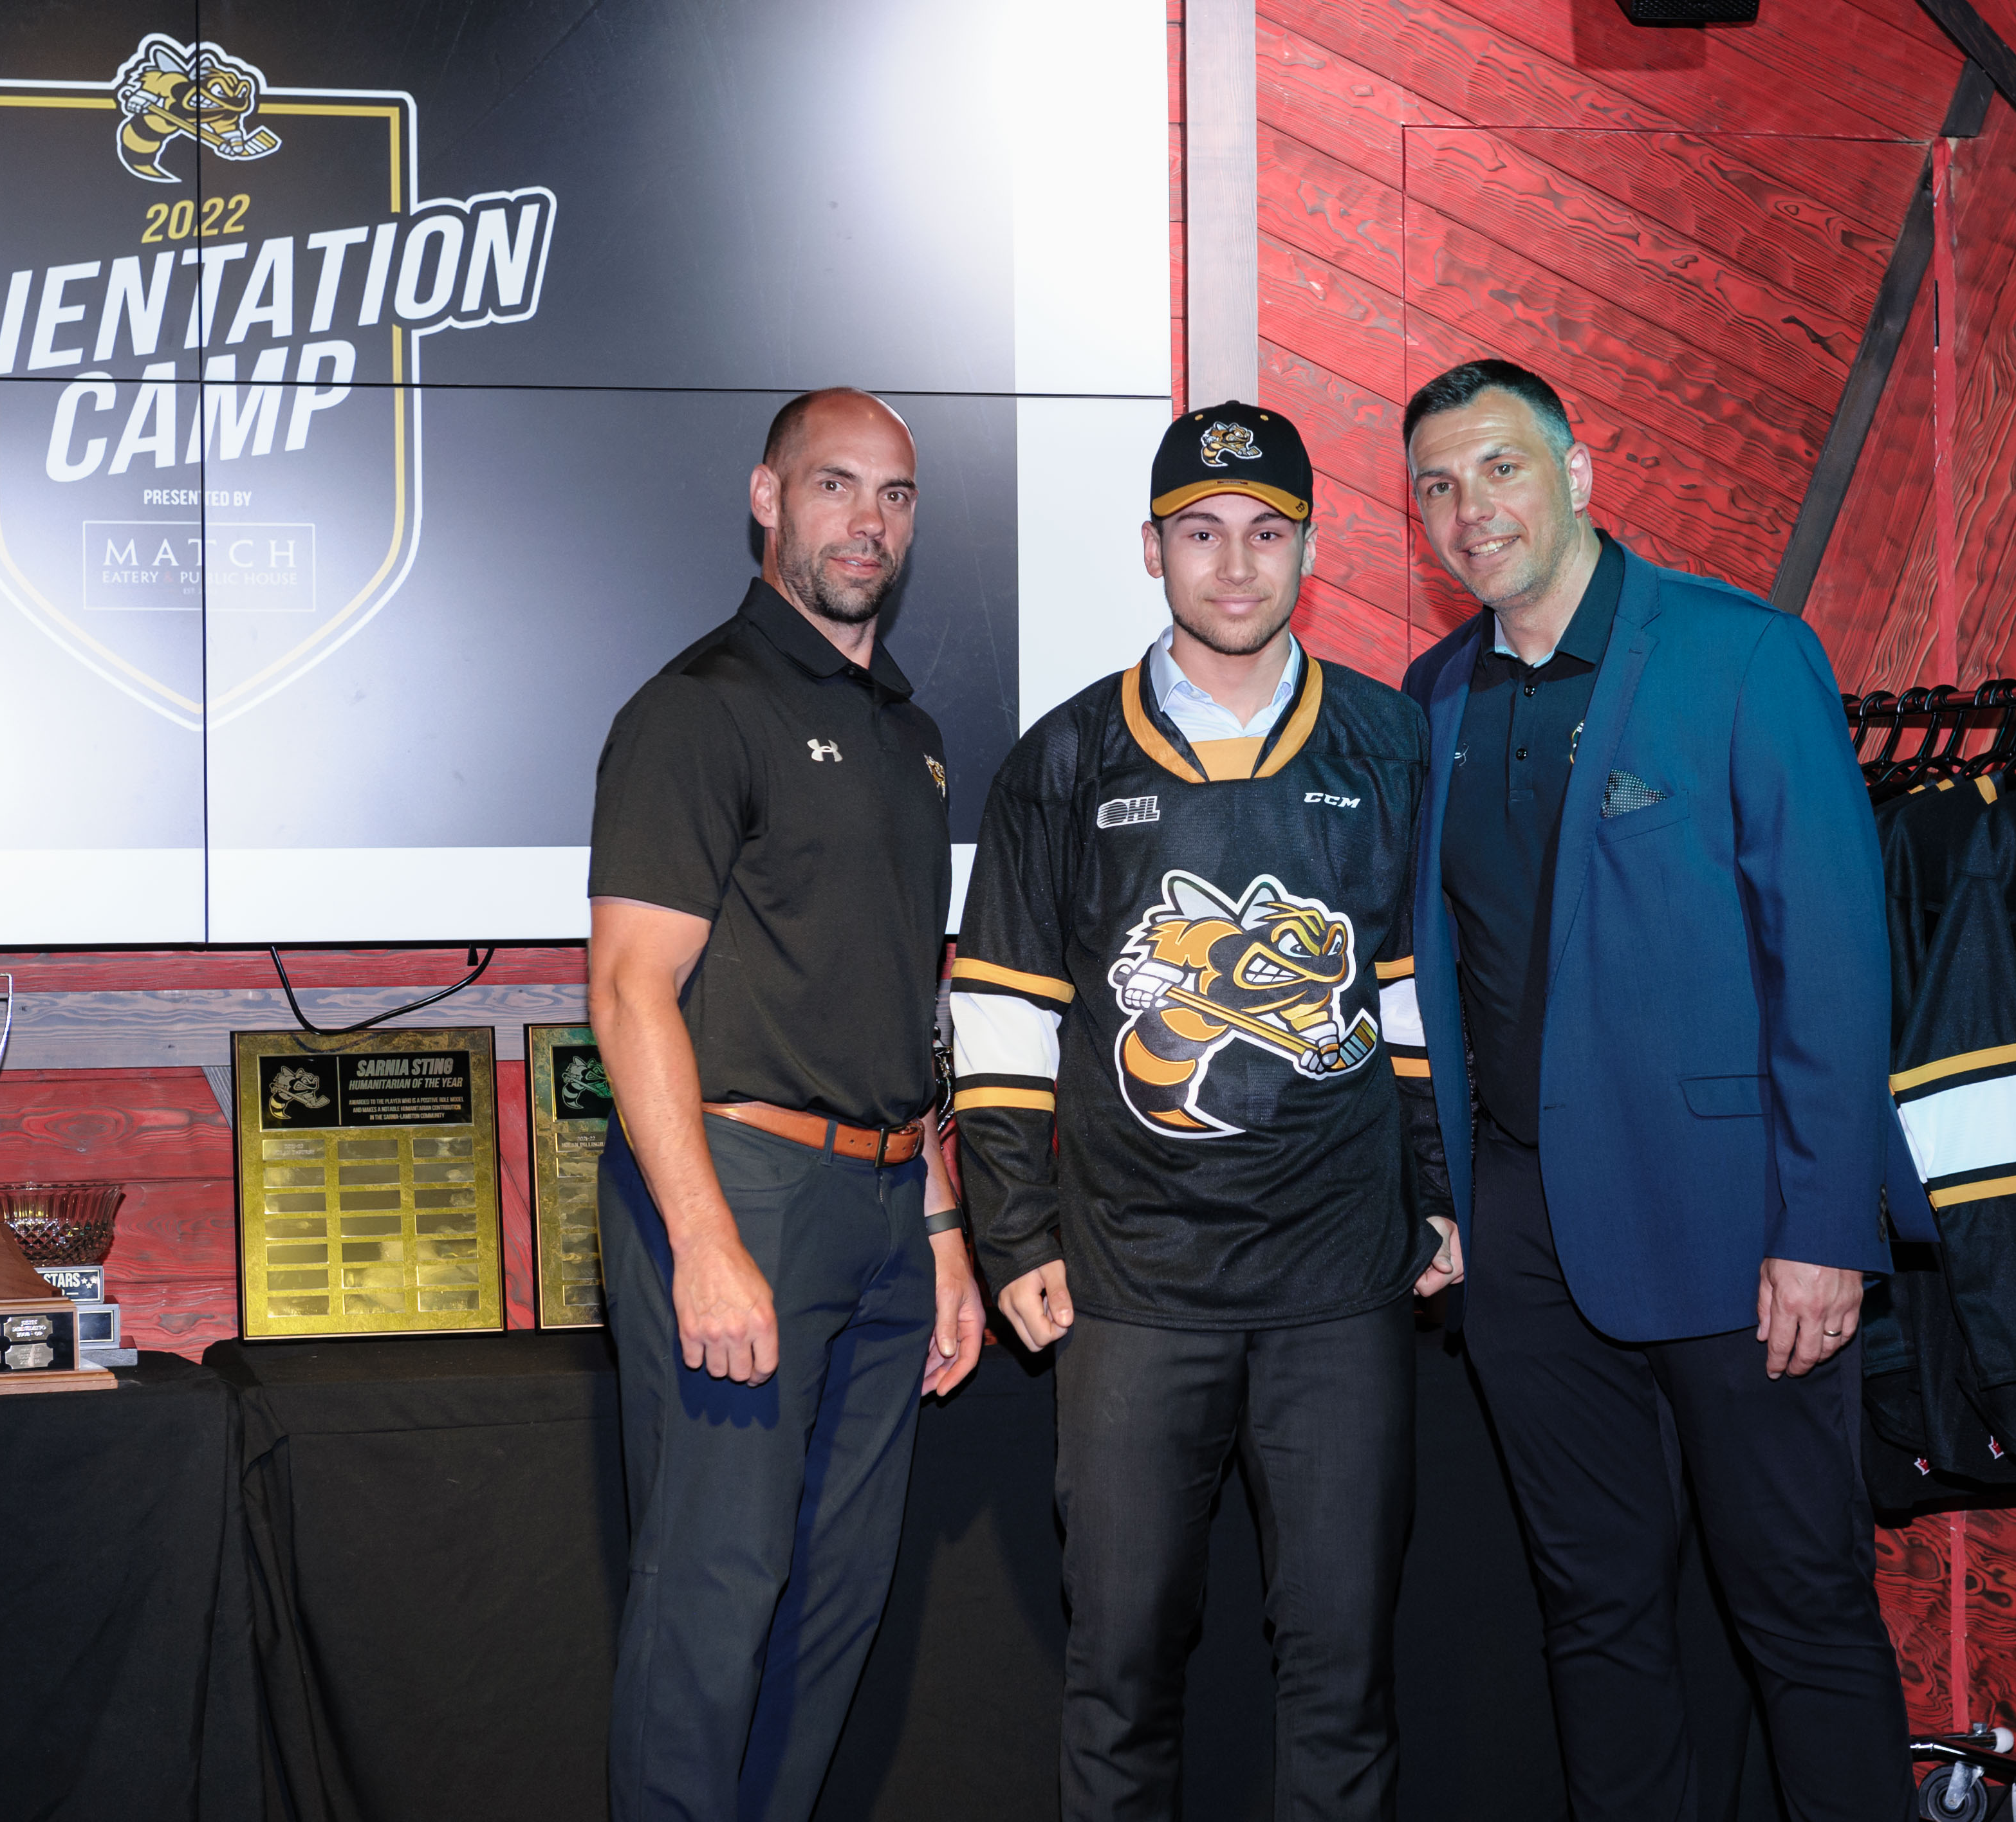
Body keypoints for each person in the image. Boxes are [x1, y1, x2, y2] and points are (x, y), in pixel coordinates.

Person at [1396, 360, 1907, 1822]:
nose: (1470, 509)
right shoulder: (1436, 696)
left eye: (1500, 468)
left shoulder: (1742, 655)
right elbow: (1438, 976)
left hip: (1737, 1230)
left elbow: (1831, 958)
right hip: (1520, 1238)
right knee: (1596, 1618)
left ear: (1578, 474)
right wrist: (1447, 1199)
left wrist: (1823, 1228)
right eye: (1437, 486)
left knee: (1801, 1610)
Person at [949, 402, 1461, 1821]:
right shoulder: (1063, 761)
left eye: (1266, 532)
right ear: (1151, 548)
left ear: (1311, 548)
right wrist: (1013, 1233)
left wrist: (1435, 1194)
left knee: (1343, 1677)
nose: (1234, 565)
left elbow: (1415, 1001)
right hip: (1134, 1286)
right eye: (1200, 533)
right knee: (1119, 1677)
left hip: (1338, 1284)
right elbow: (1001, 1014)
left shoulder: (1388, 742)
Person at [584, 387, 988, 1822]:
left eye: (894, 495)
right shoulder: (698, 710)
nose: (867, 522)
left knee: (831, 1606)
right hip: (738, 1192)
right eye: (835, 486)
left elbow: (905, 1006)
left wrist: (941, 1228)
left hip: (883, 1206)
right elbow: (628, 990)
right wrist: (702, 1241)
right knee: (716, 1589)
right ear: (767, 499)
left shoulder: (910, 735)